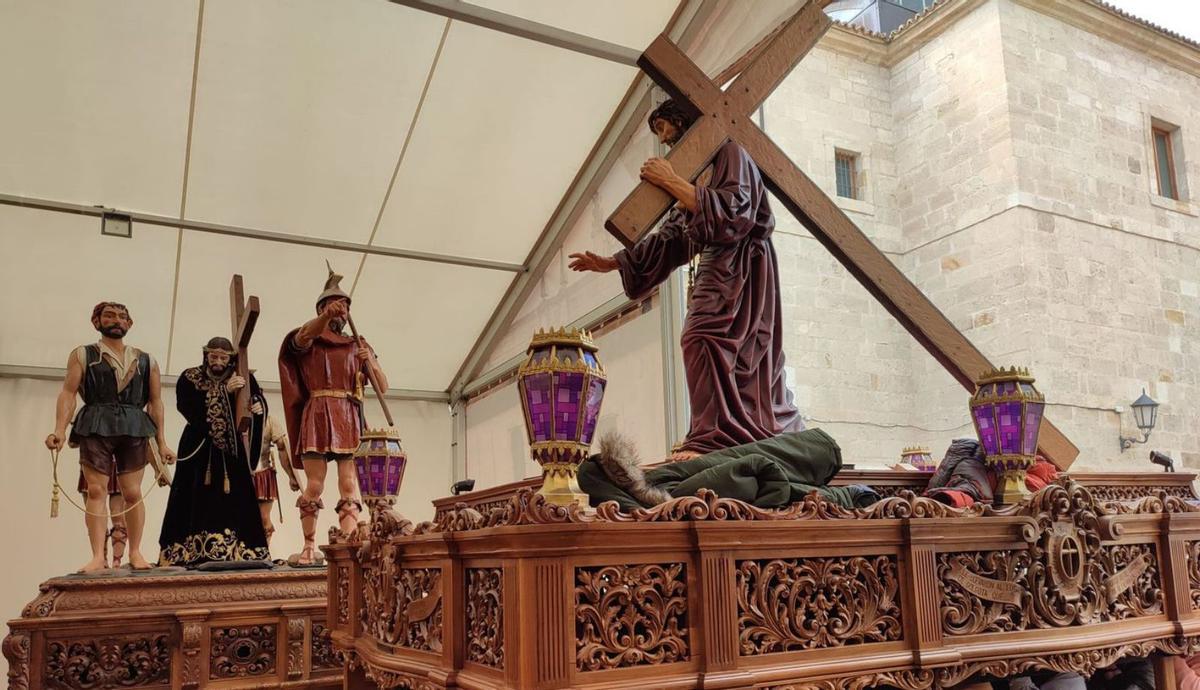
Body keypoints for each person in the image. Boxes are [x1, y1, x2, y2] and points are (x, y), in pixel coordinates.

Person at [569, 99, 802, 460]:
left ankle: (716, 437)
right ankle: (716, 431)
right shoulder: (698, 170)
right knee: (701, 339)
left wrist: (671, 181)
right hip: (717, 260)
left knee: (706, 338)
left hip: (743, 264)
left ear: (685, 121)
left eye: (664, 128)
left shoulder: (730, 153)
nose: (663, 140)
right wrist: (614, 262)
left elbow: (736, 213)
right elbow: (674, 237)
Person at [44, 302, 175, 572]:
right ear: (97, 321)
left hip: (134, 425)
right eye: (109, 316)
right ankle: (97, 556)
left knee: (133, 491)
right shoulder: (83, 354)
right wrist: (59, 428)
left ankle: (136, 551)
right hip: (96, 423)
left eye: (122, 316)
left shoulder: (146, 359)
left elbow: (156, 402)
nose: (116, 320)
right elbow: (68, 392)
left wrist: (162, 442)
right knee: (95, 490)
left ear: (129, 323)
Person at [278, 267, 388, 565]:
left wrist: (371, 363)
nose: (342, 312)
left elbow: (383, 387)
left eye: (345, 307)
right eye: (335, 306)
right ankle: (309, 546)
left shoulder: (358, 344)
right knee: (314, 484)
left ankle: (348, 546)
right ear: (321, 309)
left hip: (348, 415)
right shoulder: (308, 340)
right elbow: (302, 336)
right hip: (317, 413)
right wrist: (325, 316)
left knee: (350, 483)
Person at [158, 337, 270, 567]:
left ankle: (239, 550)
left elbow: (255, 399)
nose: (218, 361)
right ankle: (189, 551)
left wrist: (258, 408)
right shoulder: (189, 377)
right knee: (193, 495)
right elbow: (187, 407)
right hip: (198, 447)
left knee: (236, 496)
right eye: (214, 356)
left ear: (231, 359)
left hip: (232, 450)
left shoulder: (245, 378)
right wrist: (222, 391)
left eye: (223, 357)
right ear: (206, 355)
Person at [252, 414, 302, 546]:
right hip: (239, 477)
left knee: (264, 518)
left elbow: (283, 447)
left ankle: (264, 550)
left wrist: (291, 476)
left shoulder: (269, 420)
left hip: (263, 476)